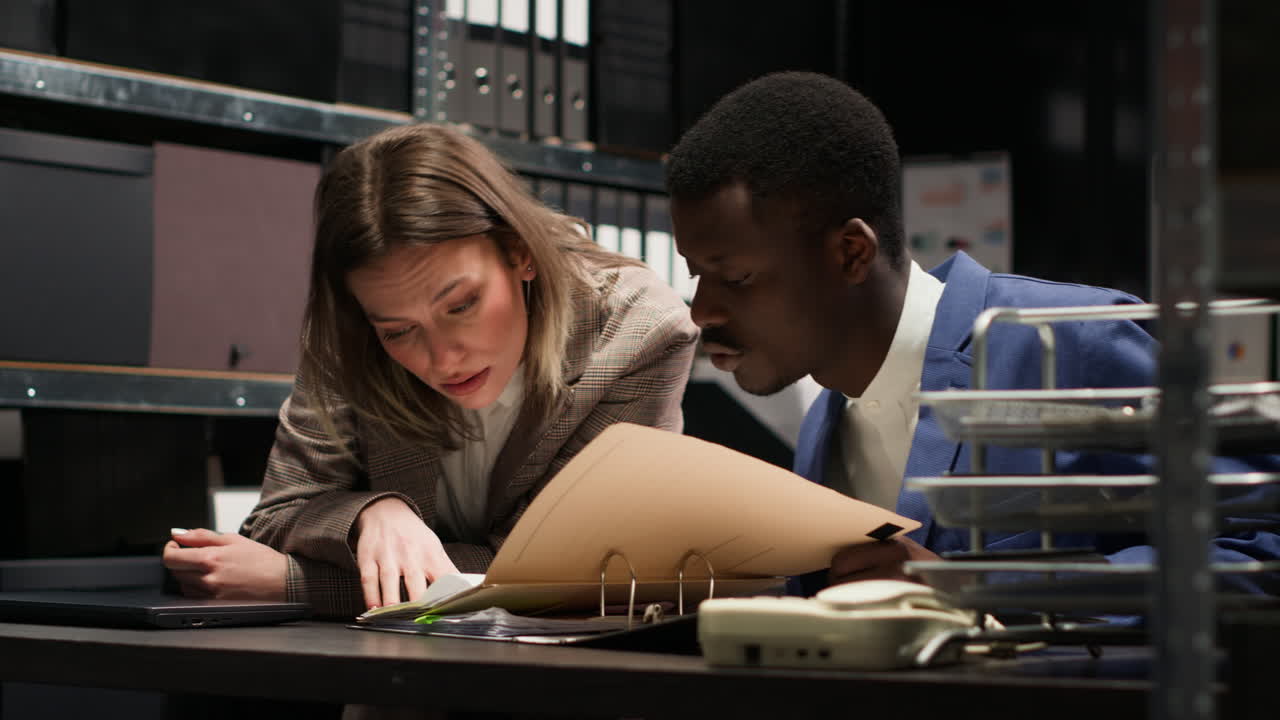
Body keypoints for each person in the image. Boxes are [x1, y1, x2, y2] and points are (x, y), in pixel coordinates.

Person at [665, 71, 1280, 597]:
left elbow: (1264, 543)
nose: (703, 311)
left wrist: (977, 589)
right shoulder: (824, 423)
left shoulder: (1072, 342)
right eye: (696, 276)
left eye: (737, 277)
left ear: (851, 252)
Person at [162, 123, 698, 618]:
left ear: (520, 253)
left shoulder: (639, 332)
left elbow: (559, 576)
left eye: (461, 305)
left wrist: (296, 585)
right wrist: (377, 513)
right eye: (399, 332)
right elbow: (275, 520)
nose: (442, 359)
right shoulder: (355, 327)